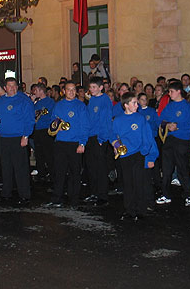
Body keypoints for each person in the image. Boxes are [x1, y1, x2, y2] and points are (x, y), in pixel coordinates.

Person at [111, 92, 158, 221]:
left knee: (139, 182)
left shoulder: (140, 118)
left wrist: (144, 152)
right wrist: (116, 145)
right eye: (134, 103)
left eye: (137, 102)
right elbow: (113, 135)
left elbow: (147, 137)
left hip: (138, 154)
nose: (137, 105)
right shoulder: (119, 119)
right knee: (128, 183)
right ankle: (129, 210)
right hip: (125, 155)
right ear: (126, 105)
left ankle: (140, 209)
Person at [0, 77, 34, 205]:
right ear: (5, 88)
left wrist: (26, 136)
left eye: (14, 86)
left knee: (20, 168)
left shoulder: (23, 101)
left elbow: (29, 120)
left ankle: (24, 195)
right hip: (4, 138)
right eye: (9, 86)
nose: (12, 88)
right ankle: (6, 193)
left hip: (18, 138)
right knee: (6, 167)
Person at [47, 81, 89, 208]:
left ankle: (74, 200)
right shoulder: (58, 105)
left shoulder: (80, 106)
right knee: (59, 172)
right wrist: (56, 127)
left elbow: (85, 126)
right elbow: (52, 122)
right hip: (60, 143)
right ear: (63, 91)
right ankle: (57, 198)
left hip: (74, 143)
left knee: (75, 173)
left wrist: (82, 143)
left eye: (73, 89)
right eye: (68, 89)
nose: (71, 92)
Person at [157, 81, 190, 206]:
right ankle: (165, 194)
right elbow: (160, 119)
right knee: (166, 168)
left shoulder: (187, 106)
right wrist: (167, 125)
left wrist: (178, 126)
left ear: (178, 92)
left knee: (182, 168)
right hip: (170, 140)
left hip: (182, 140)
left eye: (171, 91)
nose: (169, 94)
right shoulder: (169, 106)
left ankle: (188, 195)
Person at [84, 76, 113, 206]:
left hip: (99, 137)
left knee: (100, 168)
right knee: (91, 167)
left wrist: (102, 138)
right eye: (90, 87)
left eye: (94, 87)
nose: (91, 89)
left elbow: (105, 121)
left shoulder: (105, 100)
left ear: (101, 87)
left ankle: (103, 196)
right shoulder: (92, 100)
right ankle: (94, 192)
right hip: (90, 137)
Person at [33, 82, 55, 183]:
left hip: (46, 130)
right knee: (39, 153)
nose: (34, 92)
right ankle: (41, 173)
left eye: (36, 90)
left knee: (48, 153)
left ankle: (52, 173)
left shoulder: (50, 102)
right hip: (37, 130)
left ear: (41, 91)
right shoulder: (36, 103)